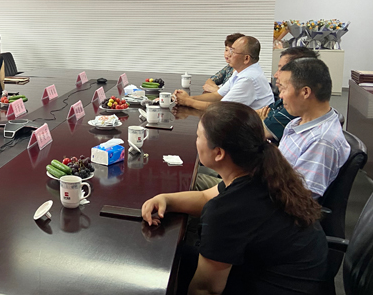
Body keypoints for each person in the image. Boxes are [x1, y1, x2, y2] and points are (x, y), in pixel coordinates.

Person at [142, 102, 327, 295]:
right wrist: (166, 200)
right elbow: (206, 196)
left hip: (272, 286)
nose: (196, 141)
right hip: (283, 275)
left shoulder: (228, 209)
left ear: (219, 153)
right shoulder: (263, 171)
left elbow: (206, 289)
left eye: (198, 136)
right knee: (172, 256)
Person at [277, 58, 350, 199]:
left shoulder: (322, 141)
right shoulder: (297, 123)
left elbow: (299, 198)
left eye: (284, 89)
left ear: (305, 92)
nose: (280, 95)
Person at [174, 36, 273, 110]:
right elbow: (217, 95)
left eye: (233, 51)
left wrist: (187, 101)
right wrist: (188, 98)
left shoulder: (249, 78)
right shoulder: (240, 71)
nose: (228, 55)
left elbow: (222, 108)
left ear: (246, 58)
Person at [256, 47, 319, 141]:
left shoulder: (295, 106)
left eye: (282, 69)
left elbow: (258, 132)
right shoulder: (286, 99)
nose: (276, 75)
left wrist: (263, 120)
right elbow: (259, 113)